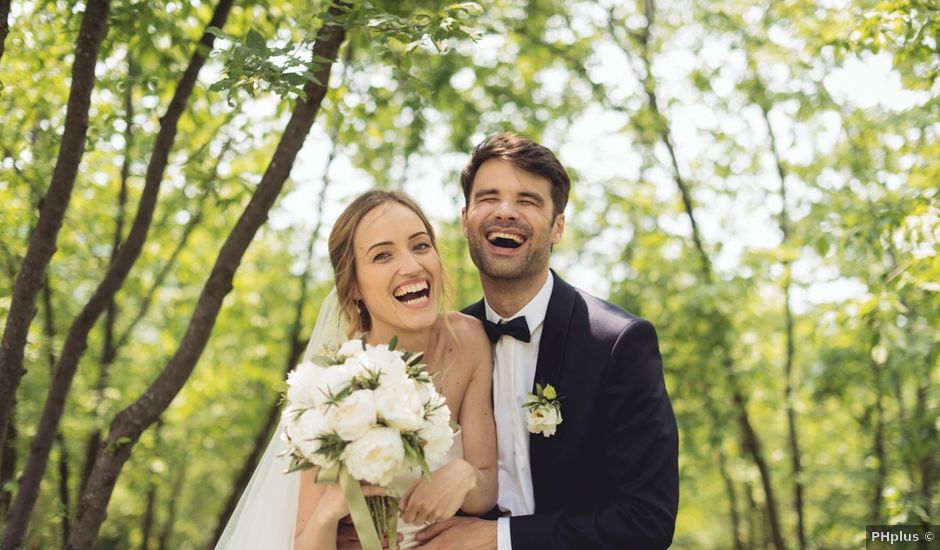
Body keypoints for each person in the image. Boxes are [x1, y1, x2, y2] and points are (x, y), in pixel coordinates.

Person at [415, 133, 679, 549]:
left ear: (557, 227)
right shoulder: (442, 343)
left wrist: (498, 539)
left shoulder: (617, 344)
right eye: (489, 197)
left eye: (527, 200)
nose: (505, 212)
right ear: (465, 218)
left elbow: (646, 522)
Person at [216, 190, 498, 550]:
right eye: (382, 255)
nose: (411, 265)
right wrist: (329, 513)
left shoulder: (469, 341)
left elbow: (486, 488)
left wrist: (464, 475)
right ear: (353, 288)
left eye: (421, 245)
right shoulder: (333, 385)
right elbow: (304, 540)